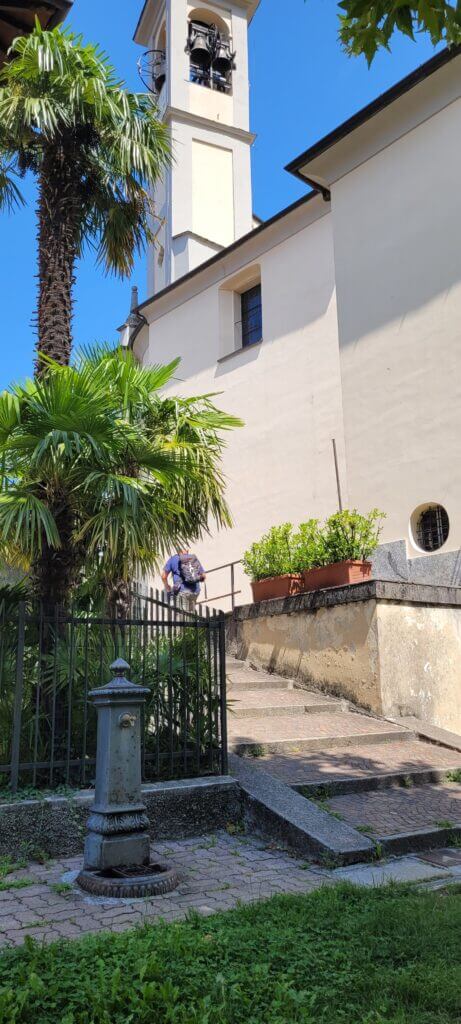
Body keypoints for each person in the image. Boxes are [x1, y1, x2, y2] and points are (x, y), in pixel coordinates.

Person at [162, 549, 206, 613]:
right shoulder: (193, 558)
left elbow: (163, 576)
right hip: (195, 591)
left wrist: (167, 586)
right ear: (187, 550)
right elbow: (203, 575)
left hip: (182, 591)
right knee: (191, 612)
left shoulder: (173, 559)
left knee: (181, 615)